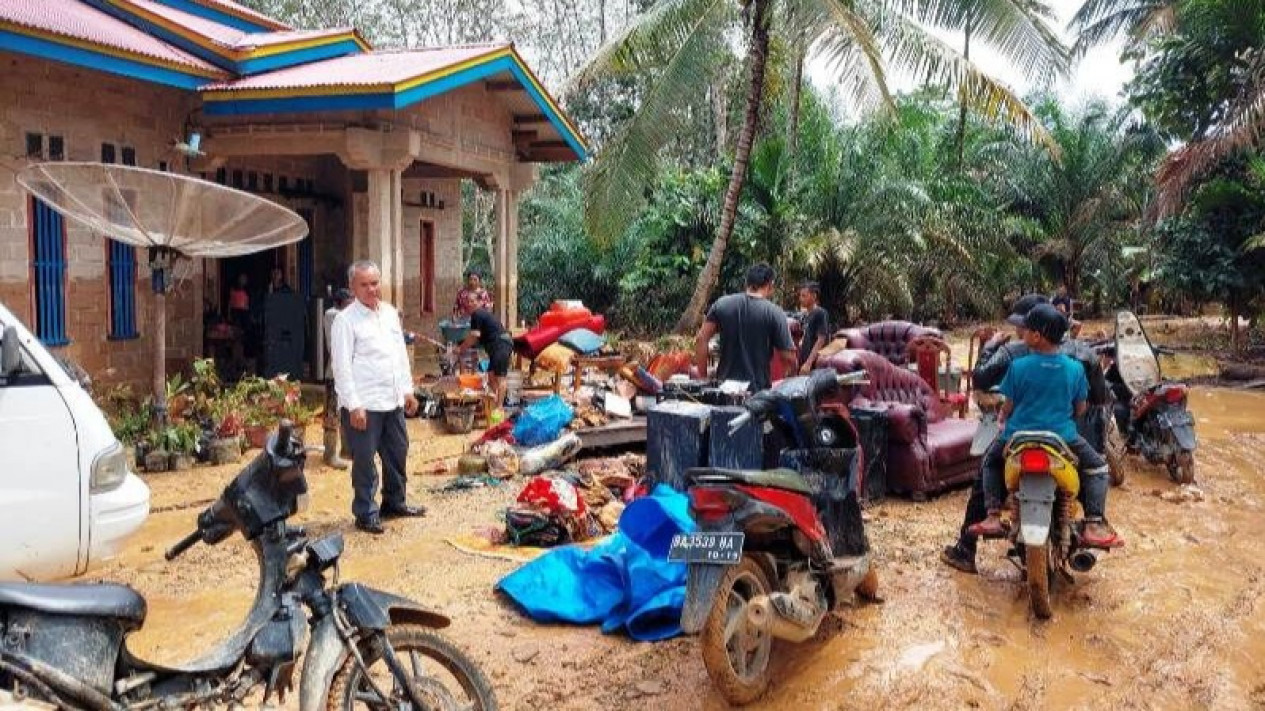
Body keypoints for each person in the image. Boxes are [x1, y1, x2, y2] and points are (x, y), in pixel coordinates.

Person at [941, 294, 1114, 573]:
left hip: (1021, 434)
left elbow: (982, 379)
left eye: (1020, 324)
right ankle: (1093, 525)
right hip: (1068, 436)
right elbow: (1097, 399)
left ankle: (967, 548)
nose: (1017, 330)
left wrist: (990, 347)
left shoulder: (1015, 356)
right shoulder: (1083, 355)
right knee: (1093, 472)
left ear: (1034, 330)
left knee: (988, 467)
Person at [330, 260, 423, 535]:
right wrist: (353, 404)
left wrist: (407, 389)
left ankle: (394, 502)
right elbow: (341, 367)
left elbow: (399, 354)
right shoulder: (345, 321)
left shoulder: (390, 314)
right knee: (364, 460)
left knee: (398, 452)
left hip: (392, 399)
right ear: (352, 287)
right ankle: (366, 512)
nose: (371, 289)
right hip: (364, 405)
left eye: (374, 283)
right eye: (364, 284)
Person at [694, 263, 796, 392]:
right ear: (770, 285)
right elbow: (788, 357)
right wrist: (791, 380)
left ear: (746, 283)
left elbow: (701, 339)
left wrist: (703, 379)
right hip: (757, 391)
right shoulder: (774, 313)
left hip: (724, 389)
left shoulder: (722, 304)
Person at [456, 304, 514, 409]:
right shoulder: (481, 314)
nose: (464, 312)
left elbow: (474, 336)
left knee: (500, 378)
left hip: (501, 344)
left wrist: (461, 349)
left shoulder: (476, 314)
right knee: (491, 376)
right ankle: (493, 403)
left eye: (463, 309)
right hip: (496, 347)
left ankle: (499, 408)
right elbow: (476, 337)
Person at [321, 288, 353, 470]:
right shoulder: (332, 316)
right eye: (348, 305)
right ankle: (330, 454)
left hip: (349, 375)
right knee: (332, 414)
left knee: (348, 413)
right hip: (335, 375)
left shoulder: (345, 317)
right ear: (339, 304)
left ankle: (347, 449)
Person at [796, 282, 830, 374]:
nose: (800, 299)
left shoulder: (820, 313)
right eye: (800, 296)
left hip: (815, 365)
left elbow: (821, 340)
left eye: (804, 296)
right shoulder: (806, 315)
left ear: (814, 296)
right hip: (804, 362)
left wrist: (808, 363)